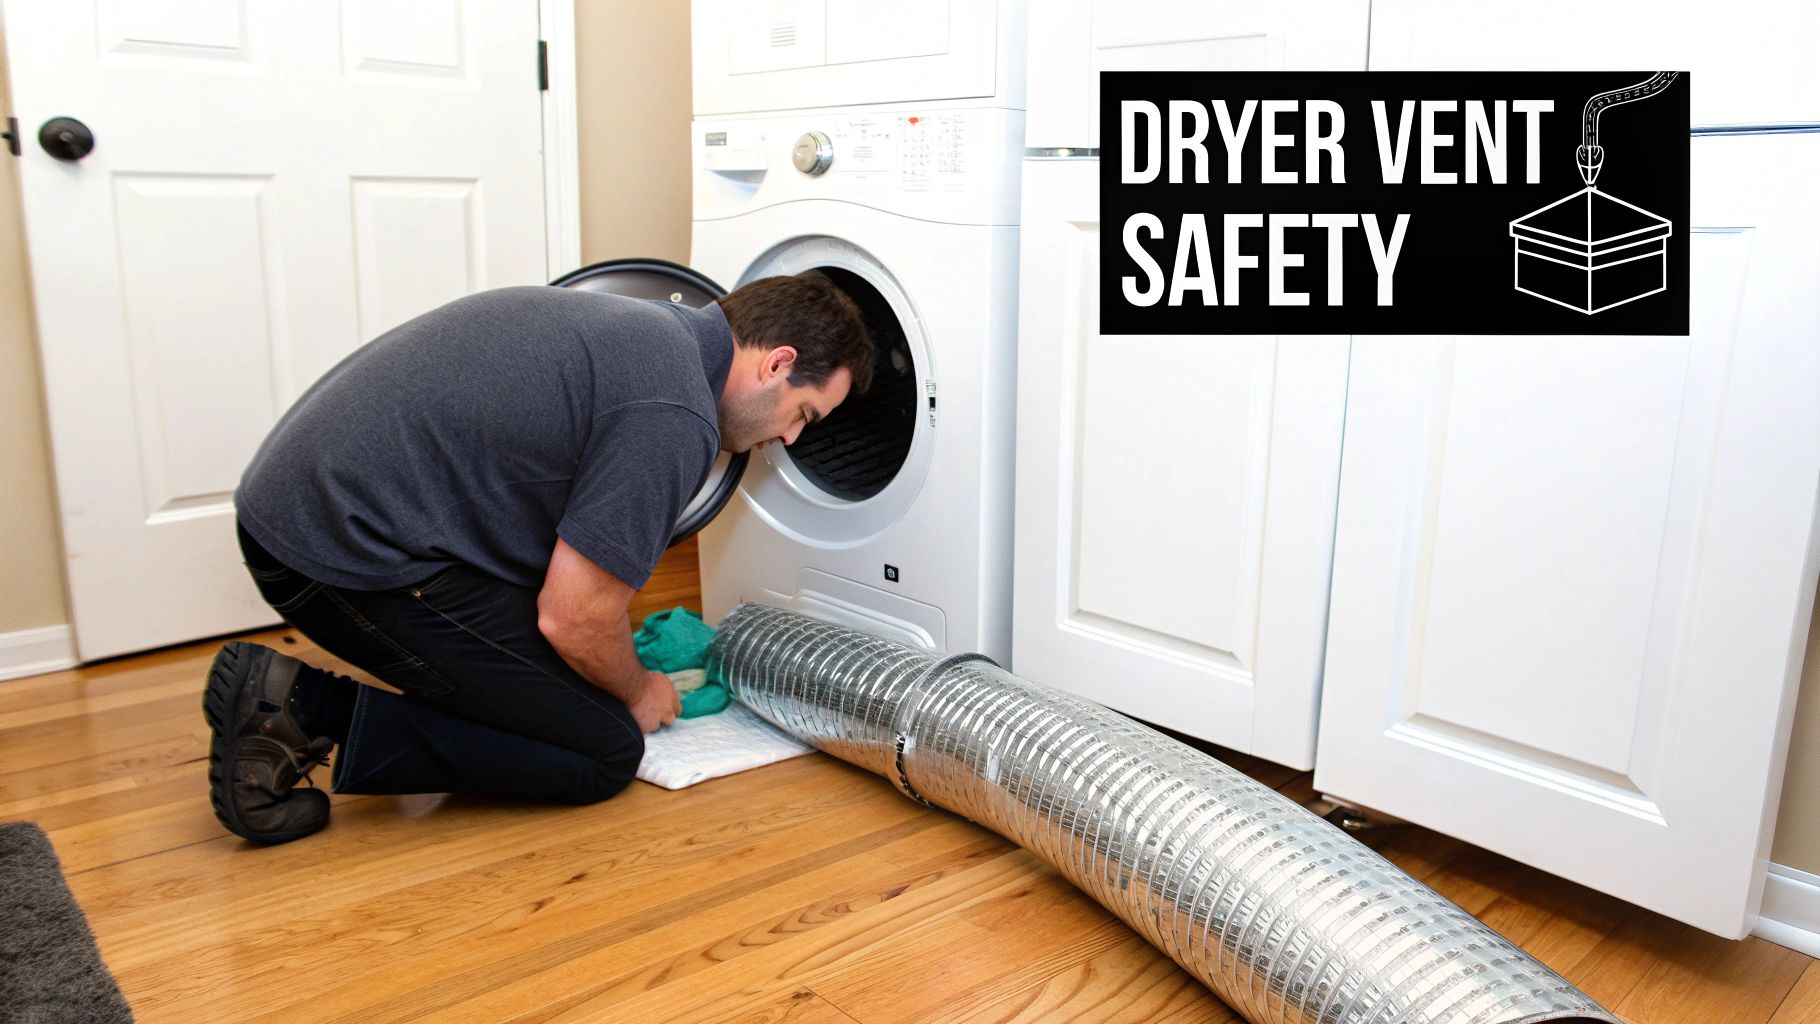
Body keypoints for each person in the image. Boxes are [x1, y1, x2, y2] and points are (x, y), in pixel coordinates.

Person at [204, 274, 872, 844]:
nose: (787, 437)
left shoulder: (648, 331)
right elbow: (574, 616)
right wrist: (642, 691)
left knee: (557, 686)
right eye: (804, 415)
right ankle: (301, 706)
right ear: (777, 363)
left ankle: (324, 700)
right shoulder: (674, 412)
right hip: (335, 552)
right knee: (602, 747)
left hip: (310, 508)